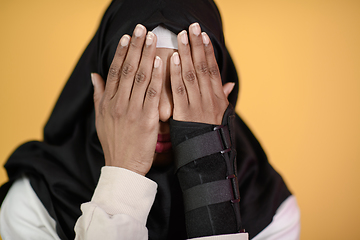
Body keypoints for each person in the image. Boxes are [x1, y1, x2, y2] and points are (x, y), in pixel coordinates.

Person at [0, 0, 300, 239]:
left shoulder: (270, 211)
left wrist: (208, 173)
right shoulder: (34, 205)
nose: (164, 112)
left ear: (223, 93)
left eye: (185, 83)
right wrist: (122, 175)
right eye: (140, 87)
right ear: (101, 91)